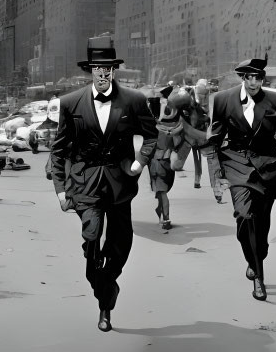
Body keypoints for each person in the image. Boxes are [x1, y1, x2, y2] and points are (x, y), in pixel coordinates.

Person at [49, 36, 157, 332]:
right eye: (97, 67)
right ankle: (105, 302)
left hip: (120, 182)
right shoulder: (70, 103)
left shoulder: (134, 101)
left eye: (107, 68)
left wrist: (139, 162)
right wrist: (60, 191)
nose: (102, 73)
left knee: (121, 243)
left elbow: (151, 136)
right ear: (90, 70)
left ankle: (107, 289)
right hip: (84, 184)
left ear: (114, 71)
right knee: (92, 239)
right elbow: (58, 151)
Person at [209, 56, 276, 303]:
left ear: (263, 78)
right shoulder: (222, 100)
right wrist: (216, 175)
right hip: (236, 164)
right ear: (242, 78)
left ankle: (258, 253)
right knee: (244, 215)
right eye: (249, 77)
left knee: (261, 223)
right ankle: (258, 276)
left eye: (258, 78)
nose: (253, 82)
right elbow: (214, 142)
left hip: (268, 167)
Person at [150, 83, 188, 230]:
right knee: (162, 190)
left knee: (161, 191)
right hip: (169, 161)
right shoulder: (179, 124)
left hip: (158, 160)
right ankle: (161, 214)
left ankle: (165, 218)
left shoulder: (157, 125)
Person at [185, 79, 222, 201]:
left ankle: (197, 180)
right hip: (201, 135)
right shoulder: (205, 97)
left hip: (189, 136)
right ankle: (217, 190)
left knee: (198, 158)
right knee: (212, 160)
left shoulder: (189, 96)